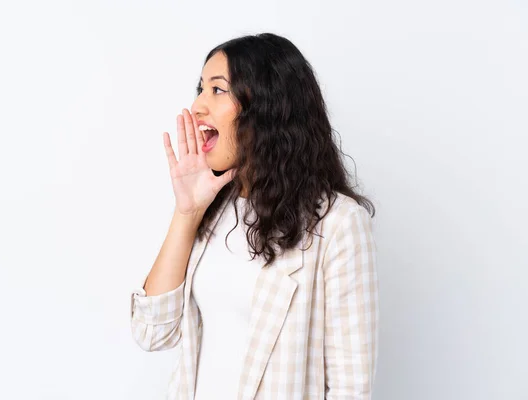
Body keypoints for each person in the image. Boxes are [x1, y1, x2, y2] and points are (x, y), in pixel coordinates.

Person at [130, 32, 379, 399]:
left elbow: (350, 388)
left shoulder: (339, 223)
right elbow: (152, 332)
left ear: (266, 107)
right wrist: (187, 212)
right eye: (200, 88)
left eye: (217, 90)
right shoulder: (212, 211)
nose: (198, 106)